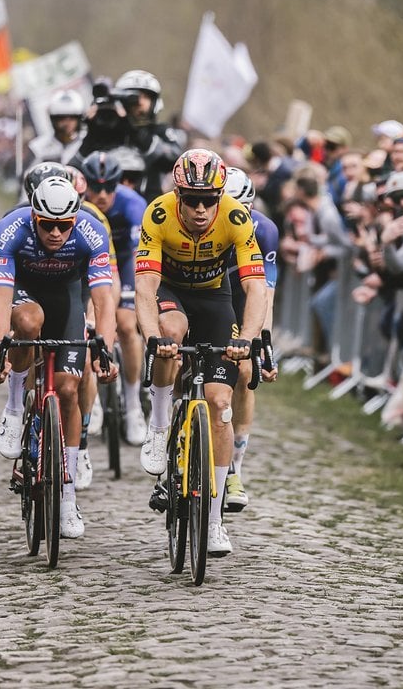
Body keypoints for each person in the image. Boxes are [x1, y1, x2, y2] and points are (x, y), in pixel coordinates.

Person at [135, 149, 266, 556]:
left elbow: (256, 287)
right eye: (190, 199)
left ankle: (212, 520)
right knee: (171, 333)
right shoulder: (158, 214)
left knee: (219, 400)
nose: (199, 208)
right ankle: (158, 428)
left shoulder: (236, 217)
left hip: (214, 299)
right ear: (178, 195)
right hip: (172, 293)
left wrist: (247, 337)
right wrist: (152, 335)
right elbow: (145, 286)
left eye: (208, 199)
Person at [0, 177, 117, 539]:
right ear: (34, 217)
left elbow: (104, 299)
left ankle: (68, 493)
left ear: (74, 220)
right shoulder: (10, 229)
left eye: (64, 226)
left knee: (69, 390)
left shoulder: (90, 230)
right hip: (23, 290)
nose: (56, 233)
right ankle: (14, 407)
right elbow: (0, 300)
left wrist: (104, 346)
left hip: (67, 297)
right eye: (48, 225)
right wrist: (0, 353)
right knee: (29, 322)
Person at [77, 151, 150, 446]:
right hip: (92, 262)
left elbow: (135, 257)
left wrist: (129, 296)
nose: (103, 194)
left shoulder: (133, 204)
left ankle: (133, 405)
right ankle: (91, 397)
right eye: (96, 187)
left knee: (128, 324)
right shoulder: (80, 206)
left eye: (110, 187)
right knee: (84, 325)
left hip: (126, 262)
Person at [220, 168, 280, 512]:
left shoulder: (265, 230)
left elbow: (264, 294)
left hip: (240, 296)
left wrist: (263, 345)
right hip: (203, 292)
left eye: (242, 211)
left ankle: (234, 470)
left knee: (244, 372)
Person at [28, 89, 85, 165]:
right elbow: (28, 173)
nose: (67, 123)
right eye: (61, 118)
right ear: (53, 119)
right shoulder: (38, 147)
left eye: (72, 118)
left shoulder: (87, 142)